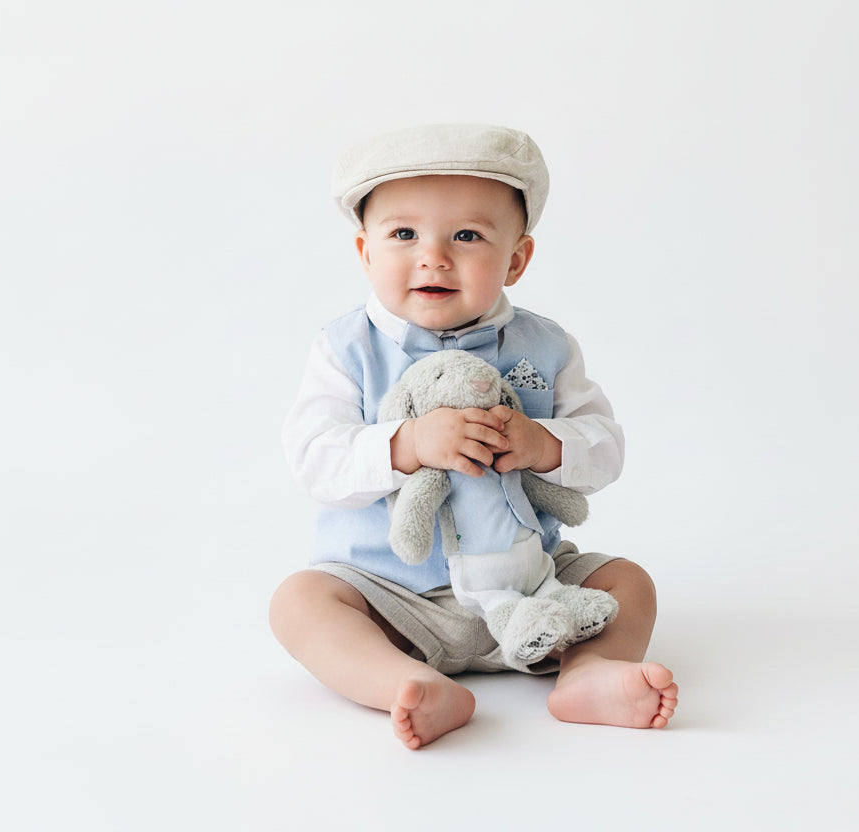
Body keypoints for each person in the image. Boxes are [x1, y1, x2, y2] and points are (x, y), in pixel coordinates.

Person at [270, 123, 678, 749]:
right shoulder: (345, 349)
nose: (433, 256)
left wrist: (544, 444)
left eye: (467, 236)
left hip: (531, 587)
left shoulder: (545, 346)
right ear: (365, 252)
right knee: (300, 602)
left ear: (516, 258)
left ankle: (588, 672)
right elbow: (312, 459)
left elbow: (605, 445)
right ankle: (405, 681)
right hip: (391, 597)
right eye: (403, 234)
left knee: (628, 581)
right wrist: (404, 445)